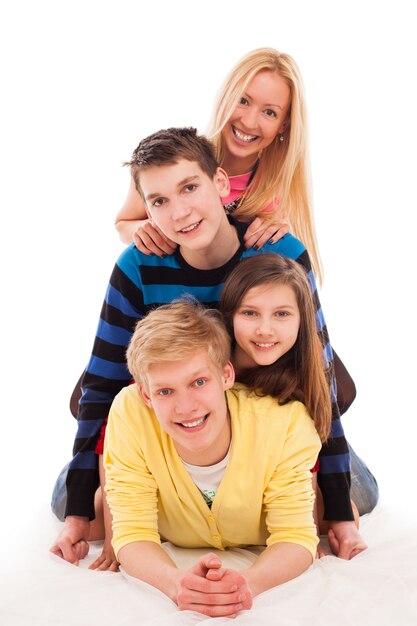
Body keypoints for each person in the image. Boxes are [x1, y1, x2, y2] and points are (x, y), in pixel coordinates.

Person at [50, 127, 357, 570]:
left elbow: (318, 373)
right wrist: (79, 512)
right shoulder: (138, 265)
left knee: (354, 495)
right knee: (68, 499)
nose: (179, 213)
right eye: (159, 202)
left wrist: (340, 511)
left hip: (268, 444)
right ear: (146, 209)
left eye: (189, 188)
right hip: (177, 441)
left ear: (219, 183)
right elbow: (103, 385)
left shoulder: (278, 252)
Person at [104, 299, 322, 617]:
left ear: (226, 375)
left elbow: (296, 536)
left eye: (199, 382)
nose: (186, 407)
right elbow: (133, 531)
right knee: (88, 508)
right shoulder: (130, 412)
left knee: (341, 502)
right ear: (146, 395)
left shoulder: (284, 423)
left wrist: (248, 584)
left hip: (302, 451)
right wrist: (175, 583)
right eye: (165, 391)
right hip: (125, 460)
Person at [114, 48, 321, 282]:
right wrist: (140, 231)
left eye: (270, 112)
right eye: (243, 101)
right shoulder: (172, 163)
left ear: (284, 125)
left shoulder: (274, 190)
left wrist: (279, 234)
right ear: (226, 97)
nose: (249, 121)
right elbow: (123, 224)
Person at [219, 254, 376, 554]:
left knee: (357, 502)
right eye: (250, 313)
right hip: (268, 463)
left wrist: (317, 522)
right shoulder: (215, 364)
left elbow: (322, 438)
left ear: (303, 319)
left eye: (282, 314)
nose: (265, 329)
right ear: (230, 315)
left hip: (321, 451)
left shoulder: (306, 365)